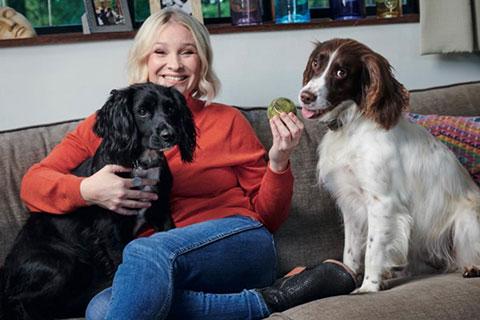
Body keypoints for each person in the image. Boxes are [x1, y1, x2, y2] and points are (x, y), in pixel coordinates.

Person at [20, 8, 357, 320]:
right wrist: (87, 189)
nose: (175, 65)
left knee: (142, 256)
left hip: (237, 242)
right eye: (160, 52)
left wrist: (279, 161)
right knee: (102, 306)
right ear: (144, 60)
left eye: (187, 51)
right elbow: (33, 185)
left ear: (203, 62)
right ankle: (276, 297)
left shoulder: (227, 121)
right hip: (156, 267)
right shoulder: (112, 121)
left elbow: (268, 218)